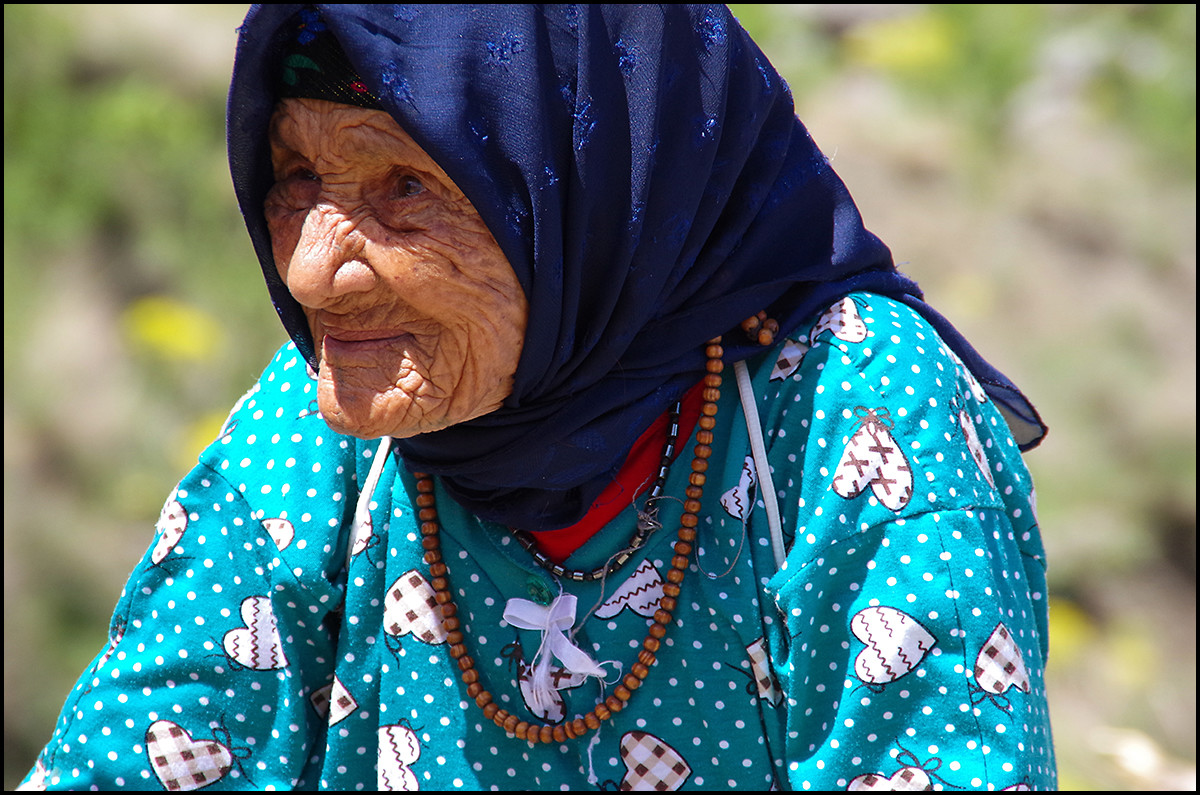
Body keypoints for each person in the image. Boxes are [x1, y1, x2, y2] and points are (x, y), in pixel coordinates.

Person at [21, 5, 1055, 791]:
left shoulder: (849, 410)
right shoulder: (322, 433)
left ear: (592, 185)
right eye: (293, 176)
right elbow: (137, 750)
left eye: (404, 189)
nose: (309, 273)